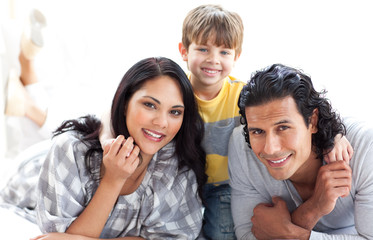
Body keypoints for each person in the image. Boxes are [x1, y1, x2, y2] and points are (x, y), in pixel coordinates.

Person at [100, 5, 352, 239]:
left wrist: (336, 136)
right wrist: (106, 139)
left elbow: (312, 110)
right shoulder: (177, 93)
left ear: (236, 56)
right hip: (180, 179)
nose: (213, 59)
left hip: (225, 186)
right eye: (203, 49)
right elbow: (113, 109)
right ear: (184, 51)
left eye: (224, 51)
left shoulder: (242, 95)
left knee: (223, 232)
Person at [0, 57, 207, 239]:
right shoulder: (71, 150)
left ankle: (28, 95)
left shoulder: (174, 168)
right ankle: (28, 83)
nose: (162, 122)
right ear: (125, 102)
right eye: (150, 105)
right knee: (63, 131)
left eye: (175, 112)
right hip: (32, 174)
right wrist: (113, 179)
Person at [228, 63, 371, 239]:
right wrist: (313, 209)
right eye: (258, 131)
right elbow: (247, 235)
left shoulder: (364, 147)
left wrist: (293, 235)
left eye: (283, 127)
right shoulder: (241, 145)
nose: (270, 149)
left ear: (312, 121)